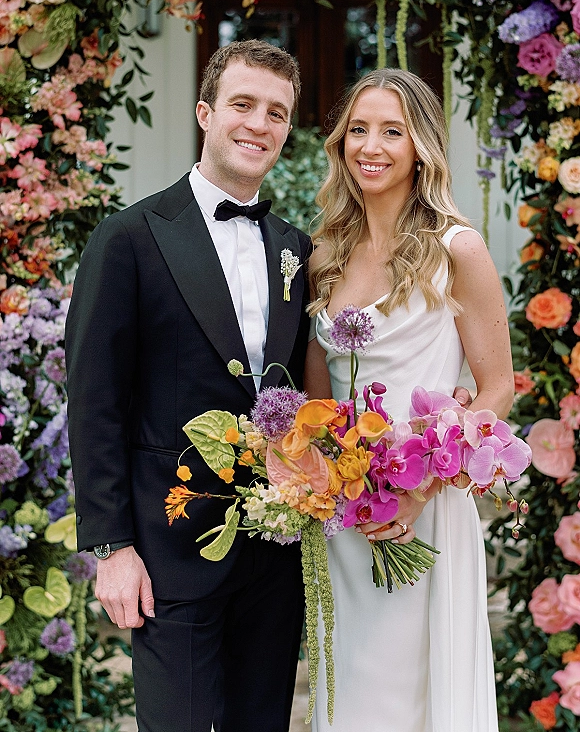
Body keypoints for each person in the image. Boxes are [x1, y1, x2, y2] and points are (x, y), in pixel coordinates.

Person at [65, 40, 312, 732]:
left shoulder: (295, 247)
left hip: (273, 552)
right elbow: (94, 402)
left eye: (276, 112)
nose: (258, 124)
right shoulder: (128, 238)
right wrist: (111, 548)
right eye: (242, 104)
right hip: (168, 551)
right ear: (206, 112)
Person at [304, 68, 513, 732]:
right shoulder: (324, 254)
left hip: (424, 510)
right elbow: (317, 399)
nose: (372, 144)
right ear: (340, 143)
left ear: (420, 146)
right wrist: (320, 475)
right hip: (345, 516)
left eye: (392, 130)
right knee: (351, 698)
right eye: (359, 129)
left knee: (417, 699)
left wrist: (422, 486)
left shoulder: (459, 249)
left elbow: (496, 386)